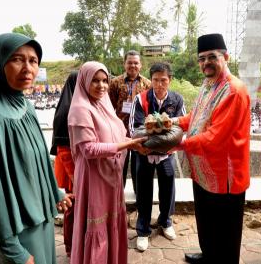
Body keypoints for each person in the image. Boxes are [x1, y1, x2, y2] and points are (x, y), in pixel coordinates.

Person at [0, 33, 72, 264]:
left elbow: (40, 160)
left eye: (33, 61)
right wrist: (15, 251)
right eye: (17, 59)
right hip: (19, 233)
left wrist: (55, 192)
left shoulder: (26, 106)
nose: (27, 68)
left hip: (42, 219)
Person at [173, 33, 251, 264]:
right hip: (204, 170)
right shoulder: (209, 85)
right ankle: (209, 255)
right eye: (201, 58)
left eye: (212, 57)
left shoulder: (234, 90)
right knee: (206, 221)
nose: (206, 63)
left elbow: (216, 137)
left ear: (225, 57)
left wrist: (179, 144)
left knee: (225, 230)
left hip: (224, 176)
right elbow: (196, 118)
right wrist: (173, 122)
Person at [68, 61, 147, 264]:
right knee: (97, 224)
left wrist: (134, 142)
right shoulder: (80, 109)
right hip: (94, 178)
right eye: (95, 80)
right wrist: (125, 145)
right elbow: (89, 149)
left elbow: (117, 134)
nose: (101, 86)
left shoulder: (104, 104)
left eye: (105, 81)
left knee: (111, 221)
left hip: (111, 176)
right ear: (84, 81)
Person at [129, 62, 185, 252]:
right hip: (143, 154)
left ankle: (165, 221)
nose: (159, 84)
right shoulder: (141, 99)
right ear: (150, 80)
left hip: (167, 155)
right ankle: (143, 230)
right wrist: (151, 141)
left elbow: (180, 129)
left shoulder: (177, 100)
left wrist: (158, 136)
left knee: (168, 190)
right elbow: (135, 128)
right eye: (155, 80)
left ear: (170, 80)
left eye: (163, 80)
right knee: (143, 192)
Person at [108, 50, 151, 194]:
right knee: (120, 165)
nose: (133, 65)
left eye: (136, 63)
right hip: (120, 132)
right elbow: (109, 107)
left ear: (141, 65)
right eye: (130, 62)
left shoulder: (147, 84)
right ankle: (118, 195)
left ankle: (139, 194)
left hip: (140, 132)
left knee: (139, 166)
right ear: (124, 64)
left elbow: (150, 109)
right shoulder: (115, 83)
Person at [50, 70, 79, 257]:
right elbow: (63, 148)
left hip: (73, 167)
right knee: (71, 209)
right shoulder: (67, 109)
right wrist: (75, 177)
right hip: (70, 169)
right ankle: (70, 248)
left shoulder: (75, 105)